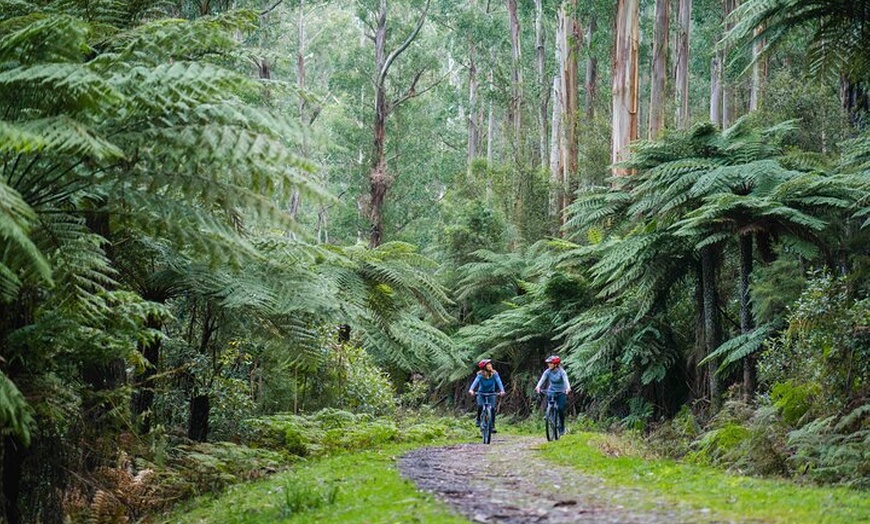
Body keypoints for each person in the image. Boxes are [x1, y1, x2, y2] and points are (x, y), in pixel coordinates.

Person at [535, 355, 571, 436]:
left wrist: (568, 388)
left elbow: (566, 380)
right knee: (550, 402)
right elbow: (542, 379)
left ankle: (562, 427)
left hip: (561, 391)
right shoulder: (547, 371)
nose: (549, 365)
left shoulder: (562, 372)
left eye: (550, 363)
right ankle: (549, 415)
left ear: (555, 364)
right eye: (548, 363)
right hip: (552, 390)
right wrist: (538, 387)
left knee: (560, 408)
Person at [468, 359, 505, 433]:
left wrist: (502, 390)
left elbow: (499, 382)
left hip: (491, 393)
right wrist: (471, 390)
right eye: (488, 365)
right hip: (481, 393)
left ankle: (492, 426)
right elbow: (475, 382)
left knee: (492, 408)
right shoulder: (480, 375)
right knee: (480, 405)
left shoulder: (494, 374)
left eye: (490, 364)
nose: (490, 366)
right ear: (484, 367)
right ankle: (478, 419)